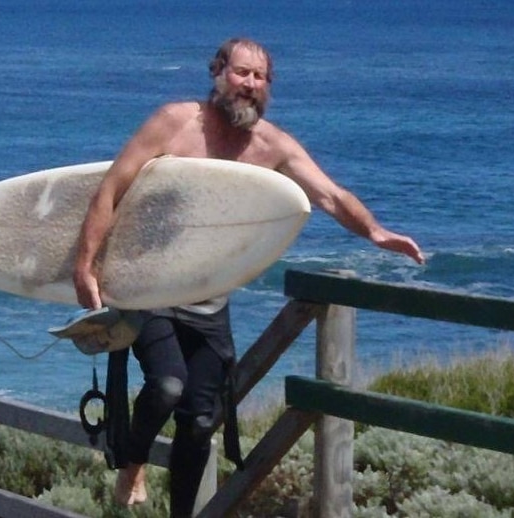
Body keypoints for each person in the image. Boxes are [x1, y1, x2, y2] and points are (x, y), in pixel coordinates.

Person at [73, 37, 425, 517]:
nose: (250, 85)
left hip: (210, 297)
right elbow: (110, 189)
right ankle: (133, 464)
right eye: (242, 73)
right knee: (168, 385)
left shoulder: (271, 147)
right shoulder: (175, 123)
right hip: (151, 284)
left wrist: (376, 232)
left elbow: (330, 195)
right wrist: (84, 264)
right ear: (218, 73)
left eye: (260, 78)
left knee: (199, 420)